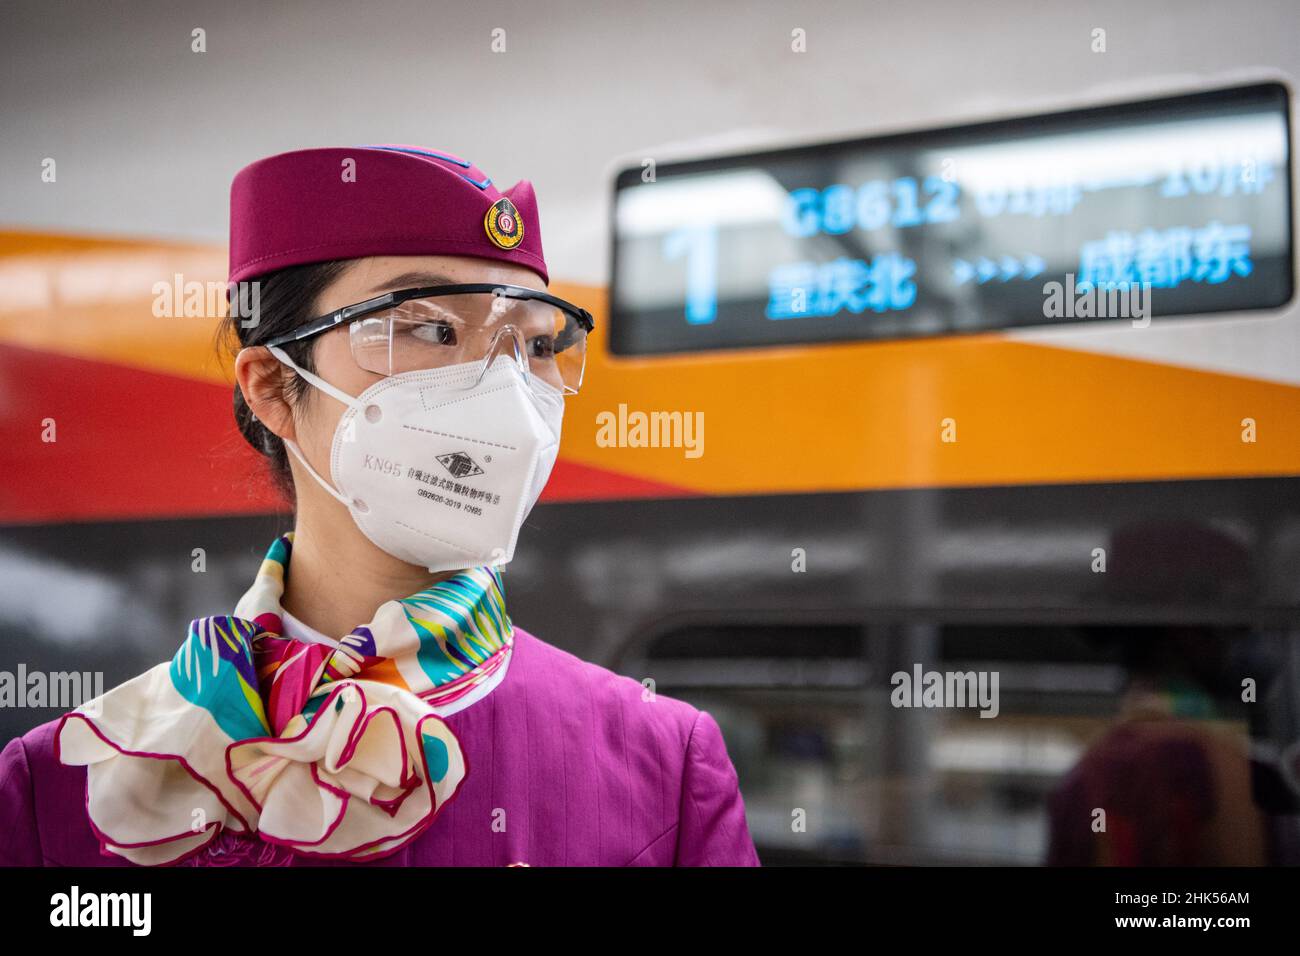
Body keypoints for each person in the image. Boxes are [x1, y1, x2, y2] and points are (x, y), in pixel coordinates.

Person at [0, 144, 760, 867]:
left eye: (532, 344)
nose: (506, 393)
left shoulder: (661, 762)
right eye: (430, 328)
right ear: (271, 385)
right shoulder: (67, 781)